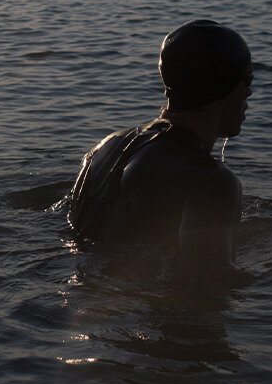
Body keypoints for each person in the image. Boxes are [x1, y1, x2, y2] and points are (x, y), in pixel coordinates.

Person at [66, 20, 254, 282]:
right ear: (222, 85)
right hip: (129, 302)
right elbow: (208, 289)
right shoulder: (213, 182)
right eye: (247, 78)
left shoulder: (105, 147)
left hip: (74, 282)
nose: (250, 91)